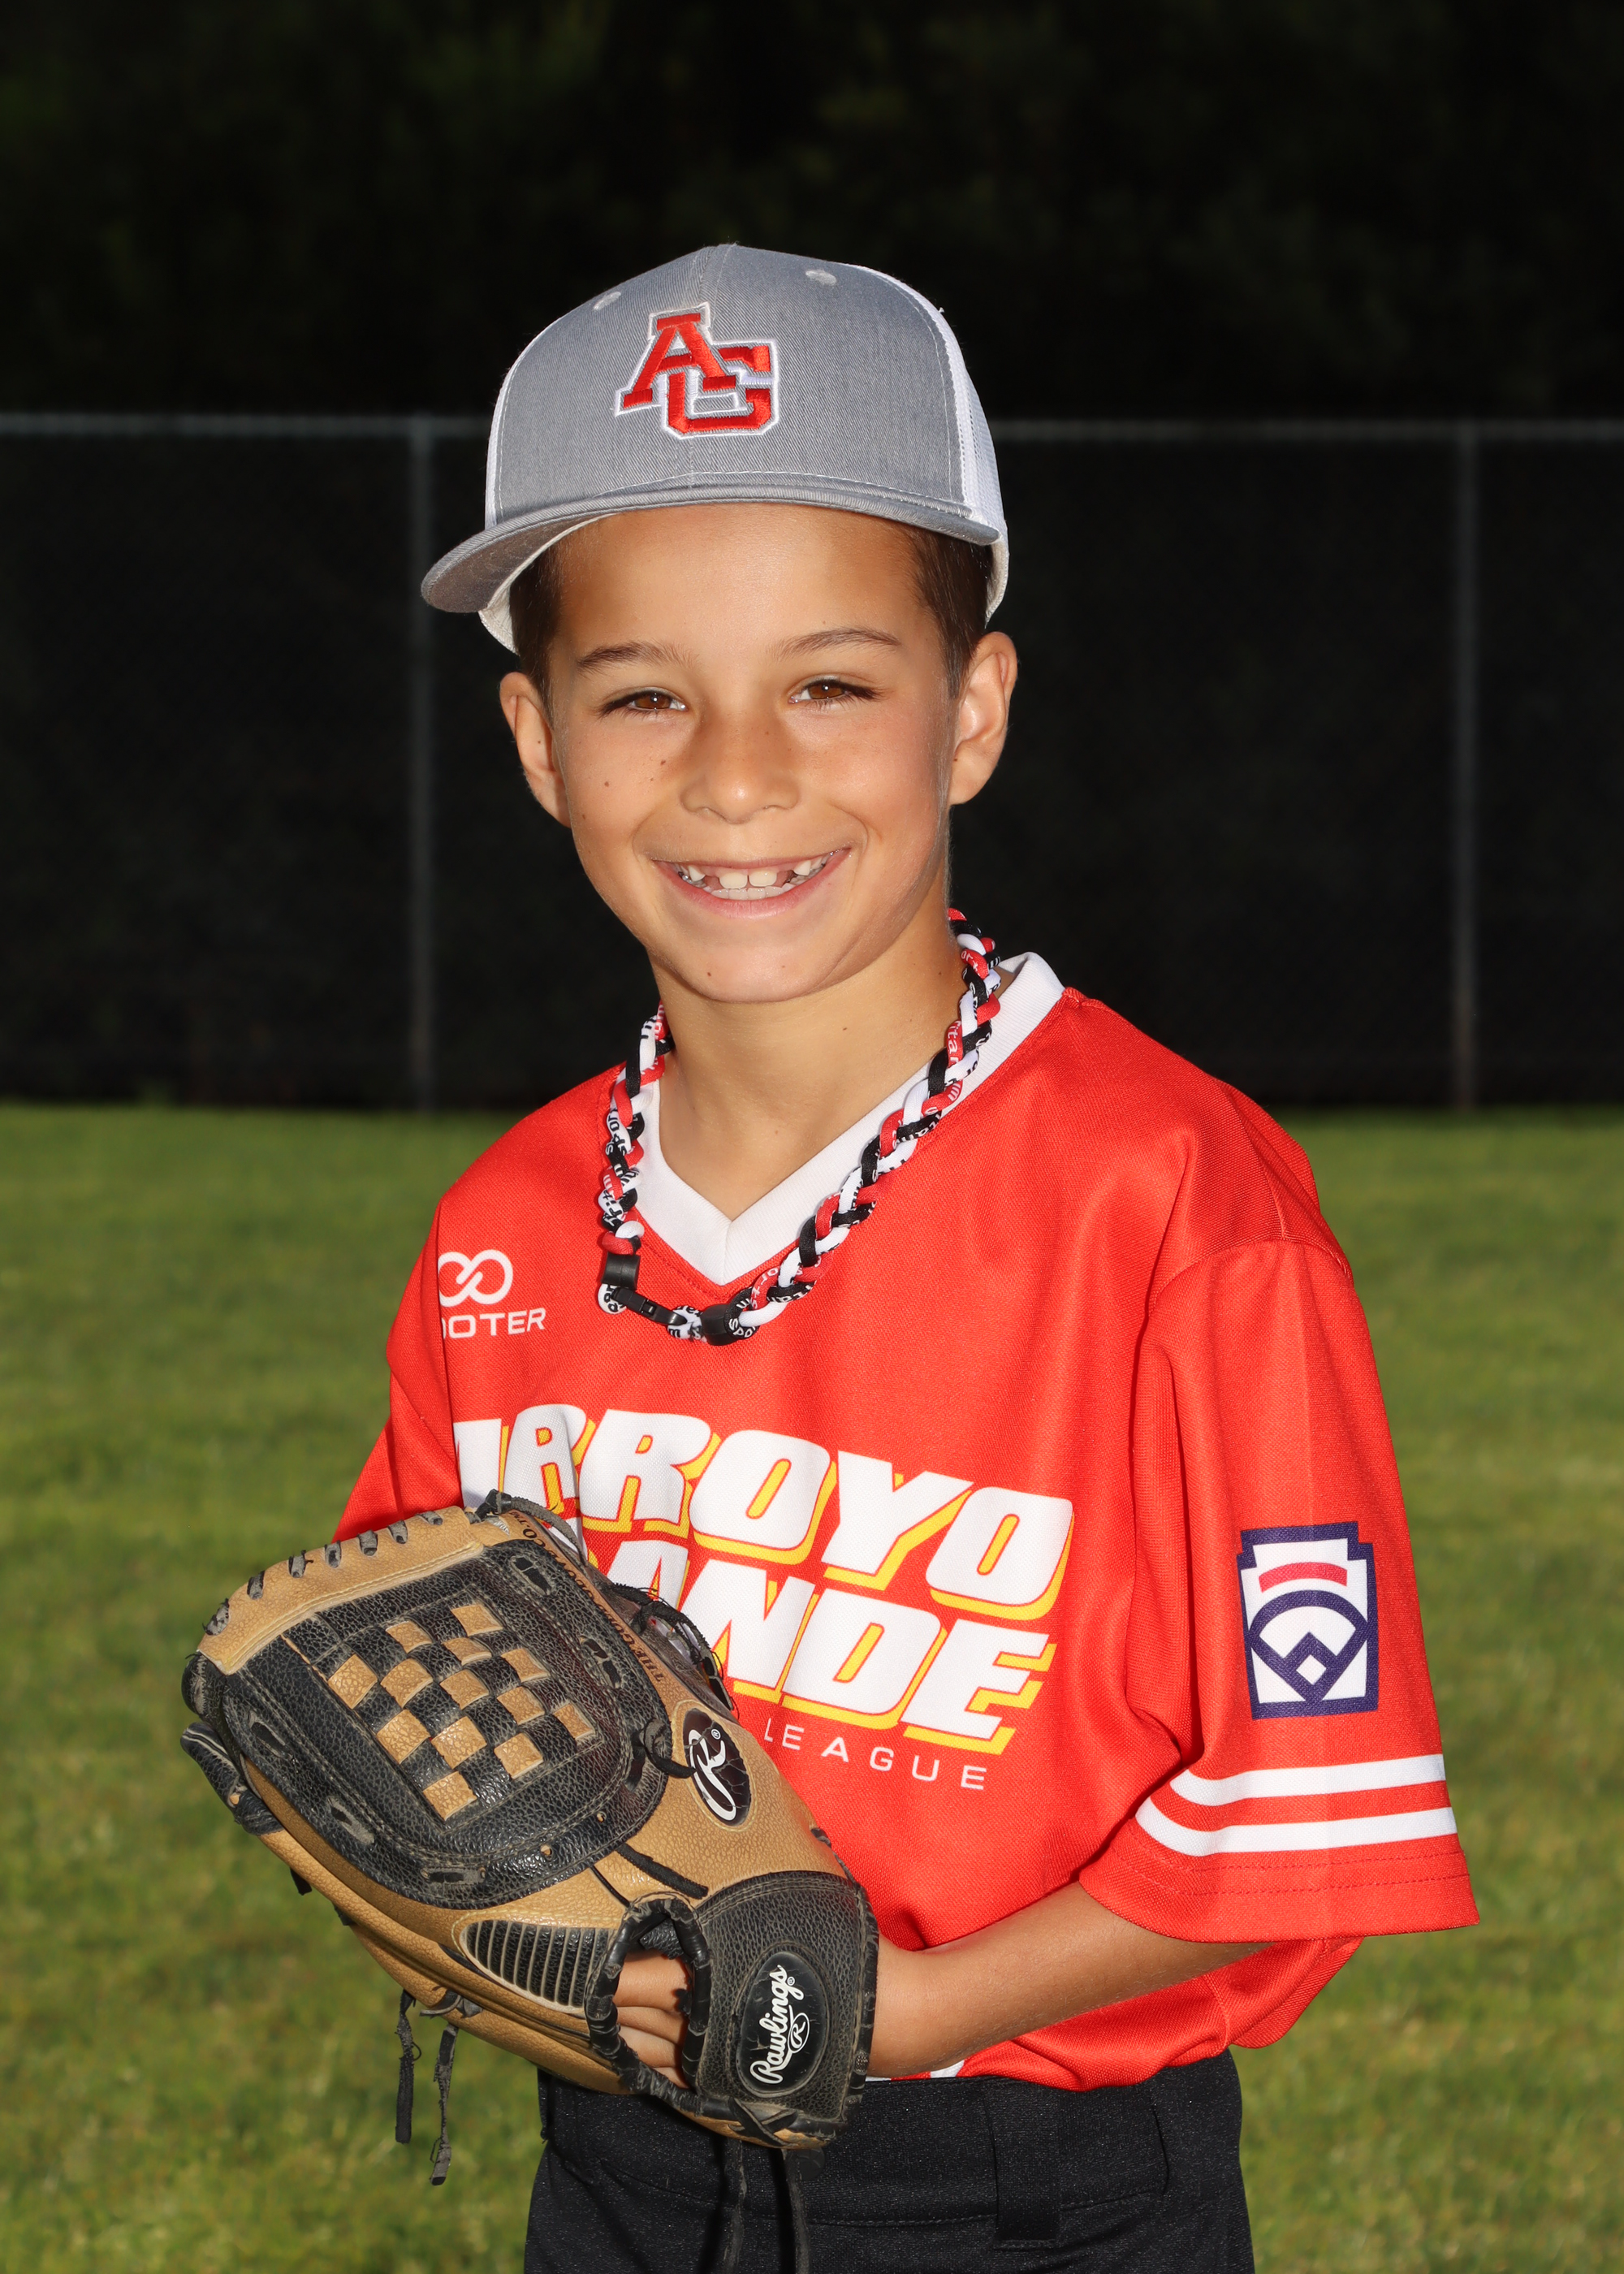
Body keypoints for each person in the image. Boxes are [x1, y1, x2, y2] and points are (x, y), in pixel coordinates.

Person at [337, 244, 1476, 2272]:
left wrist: (908, 2002)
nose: (736, 772)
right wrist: (533, 1957)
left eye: (831, 682)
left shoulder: (1173, 1198)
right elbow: (400, 1711)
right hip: (615, 2167)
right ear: (536, 738)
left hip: (1034, 2185)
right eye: (643, 692)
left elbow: (1308, 1785)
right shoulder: (502, 1231)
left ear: (973, 710)